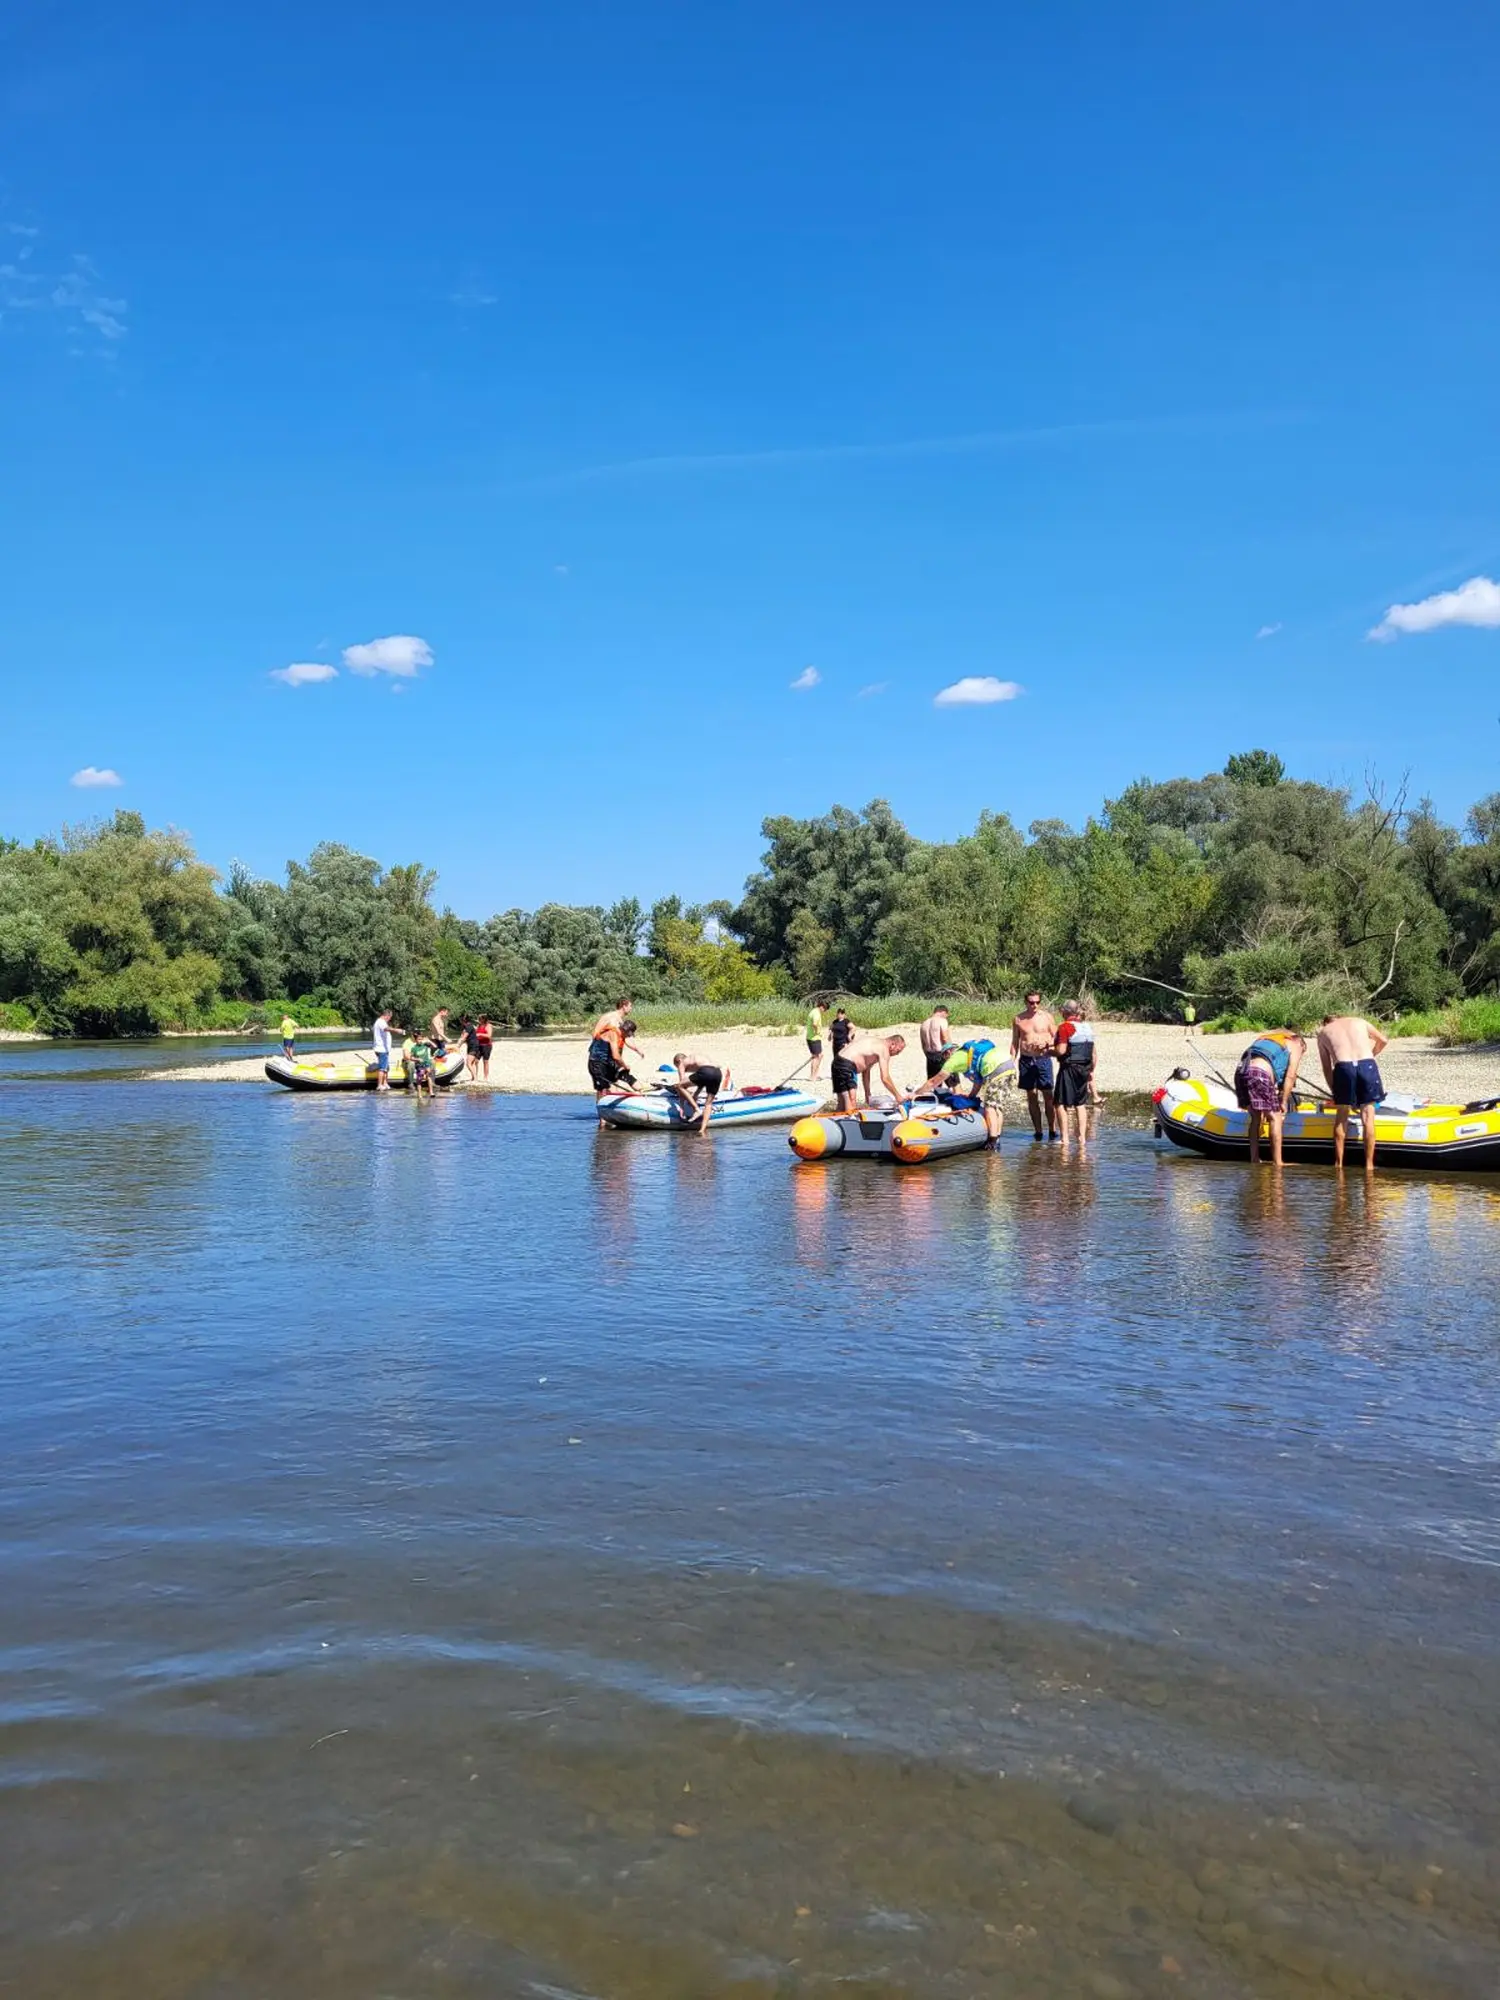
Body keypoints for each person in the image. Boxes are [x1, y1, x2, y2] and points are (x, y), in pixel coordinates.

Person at [1317, 1014, 1390, 1172]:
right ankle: (1369, 1165)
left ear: (1326, 1022)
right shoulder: (1359, 1021)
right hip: (1367, 1064)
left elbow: (1326, 1066)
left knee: (1342, 1115)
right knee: (1368, 1116)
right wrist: (1371, 1055)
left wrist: (1333, 1089)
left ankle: (1339, 1164)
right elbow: (1383, 1040)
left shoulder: (1323, 1032)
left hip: (1343, 1067)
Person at [916, 1035, 1010, 1144]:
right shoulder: (970, 1055)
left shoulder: (954, 1060)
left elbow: (934, 1081)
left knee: (990, 1107)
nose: (945, 1060)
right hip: (1008, 1065)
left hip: (995, 1069)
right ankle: (997, 1136)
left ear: (948, 1053)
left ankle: (992, 1141)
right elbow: (977, 1082)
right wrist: (971, 1097)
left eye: (944, 1057)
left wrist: (916, 1094)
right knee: (997, 1106)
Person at [1232, 1028, 1306, 1167]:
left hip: (1241, 1070)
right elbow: (1290, 1076)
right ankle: (1278, 1162)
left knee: (1255, 1116)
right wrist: (1283, 1101)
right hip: (1259, 1071)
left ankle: (1254, 1159)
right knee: (1275, 1117)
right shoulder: (1295, 1045)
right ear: (1300, 1043)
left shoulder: (1266, 1038)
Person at [1010, 991, 1058, 1141]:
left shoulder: (1047, 1017)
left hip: (1043, 1059)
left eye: (1037, 1002)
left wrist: (1047, 1043)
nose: (1034, 1005)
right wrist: (1011, 1061)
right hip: (1026, 1060)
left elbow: (1058, 1037)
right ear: (1026, 1002)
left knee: (1048, 1096)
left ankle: (1052, 1130)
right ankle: (1038, 1132)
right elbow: (1015, 1042)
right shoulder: (1018, 1019)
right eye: (1031, 1002)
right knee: (1031, 1096)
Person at [1051, 1002, 1097, 1148]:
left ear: (1064, 1012)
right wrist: (1091, 1071)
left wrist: (1048, 1052)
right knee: (1080, 1104)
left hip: (1069, 1068)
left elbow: (1061, 1051)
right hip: (1085, 1068)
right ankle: (1082, 1138)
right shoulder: (1087, 1028)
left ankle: (1065, 1139)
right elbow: (1094, 1054)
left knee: (1059, 1103)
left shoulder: (1065, 1027)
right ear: (1077, 1012)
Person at [830, 1033, 907, 1114]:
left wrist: (867, 1094)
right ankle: (850, 1123)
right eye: (898, 1051)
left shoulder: (875, 1043)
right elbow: (885, 1078)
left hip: (837, 1062)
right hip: (847, 1065)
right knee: (851, 1103)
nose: (897, 1054)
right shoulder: (884, 1049)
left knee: (842, 1105)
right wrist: (898, 1097)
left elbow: (866, 1071)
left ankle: (833, 1121)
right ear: (893, 1045)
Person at [587, 999, 644, 1103]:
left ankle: (618, 1105)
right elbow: (595, 1033)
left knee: (617, 1078)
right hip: (600, 1055)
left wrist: (637, 1049)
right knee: (603, 1086)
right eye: (630, 1006)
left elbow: (624, 1038)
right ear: (624, 1006)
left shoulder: (621, 1022)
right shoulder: (610, 1018)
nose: (631, 1009)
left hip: (611, 1056)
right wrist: (601, 1047)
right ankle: (604, 1110)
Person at [670, 1052, 723, 1136]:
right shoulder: (698, 1059)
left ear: (679, 1061)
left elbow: (682, 1084)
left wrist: (682, 1107)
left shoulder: (682, 1062)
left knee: (679, 1086)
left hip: (706, 1072)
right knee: (708, 1103)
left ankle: (697, 1110)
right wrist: (696, 1094)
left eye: (676, 1066)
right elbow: (704, 1080)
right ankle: (702, 1130)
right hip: (718, 1073)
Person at [919, 1004, 953, 1079]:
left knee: (933, 1083)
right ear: (943, 1012)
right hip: (941, 1054)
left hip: (929, 1055)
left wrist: (927, 1055)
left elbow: (923, 1044)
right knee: (953, 1082)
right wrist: (950, 1053)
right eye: (946, 1015)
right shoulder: (942, 1020)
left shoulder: (924, 1023)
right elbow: (945, 1038)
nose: (946, 1017)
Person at [372, 1009, 395, 1092]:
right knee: (382, 1067)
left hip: (384, 1048)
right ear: (387, 1015)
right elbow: (386, 1029)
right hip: (381, 1049)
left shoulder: (381, 1022)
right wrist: (397, 1030)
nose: (389, 1019)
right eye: (390, 1017)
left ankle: (385, 1083)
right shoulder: (381, 1022)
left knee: (385, 1067)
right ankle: (379, 1085)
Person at [409, 1031, 437, 1099]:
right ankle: (419, 1094)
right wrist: (417, 1059)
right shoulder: (414, 1048)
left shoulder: (425, 1045)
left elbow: (435, 1046)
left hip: (427, 1063)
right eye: (419, 1039)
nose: (420, 1041)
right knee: (419, 1080)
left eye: (421, 1039)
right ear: (415, 1040)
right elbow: (411, 1057)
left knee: (429, 1077)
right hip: (419, 1065)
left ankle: (431, 1092)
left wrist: (429, 1041)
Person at [805, 999, 825, 1083]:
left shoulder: (813, 1011)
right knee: (817, 1056)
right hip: (814, 1038)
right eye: (825, 1009)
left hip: (811, 1037)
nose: (824, 1011)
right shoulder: (816, 1013)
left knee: (818, 1056)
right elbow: (814, 1024)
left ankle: (814, 1075)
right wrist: (817, 1032)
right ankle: (813, 1076)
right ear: (821, 1007)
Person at [472, 1014, 493, 1082]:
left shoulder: (488, 1026)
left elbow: (489, 1035)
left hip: (487, 1045)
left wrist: (480, 1034)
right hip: (479, 1045)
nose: (479, 1020)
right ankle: (475, 1076)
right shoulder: (479, 1025)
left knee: (485, 1061)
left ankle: (485, 1077)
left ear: (484, 1019)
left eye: (480, 1019)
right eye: (478, 1019)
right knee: (476, 1061)